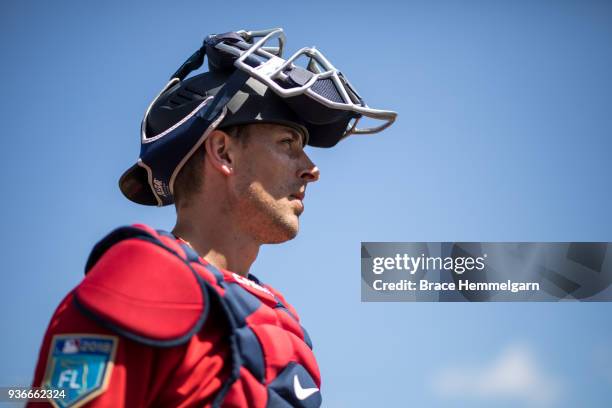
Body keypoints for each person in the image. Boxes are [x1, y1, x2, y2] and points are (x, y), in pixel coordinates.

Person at [28, 29, 396, 407]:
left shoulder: (278, 315)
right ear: (224, 152)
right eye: (288, 143)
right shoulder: (140, 283)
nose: (312, 170)